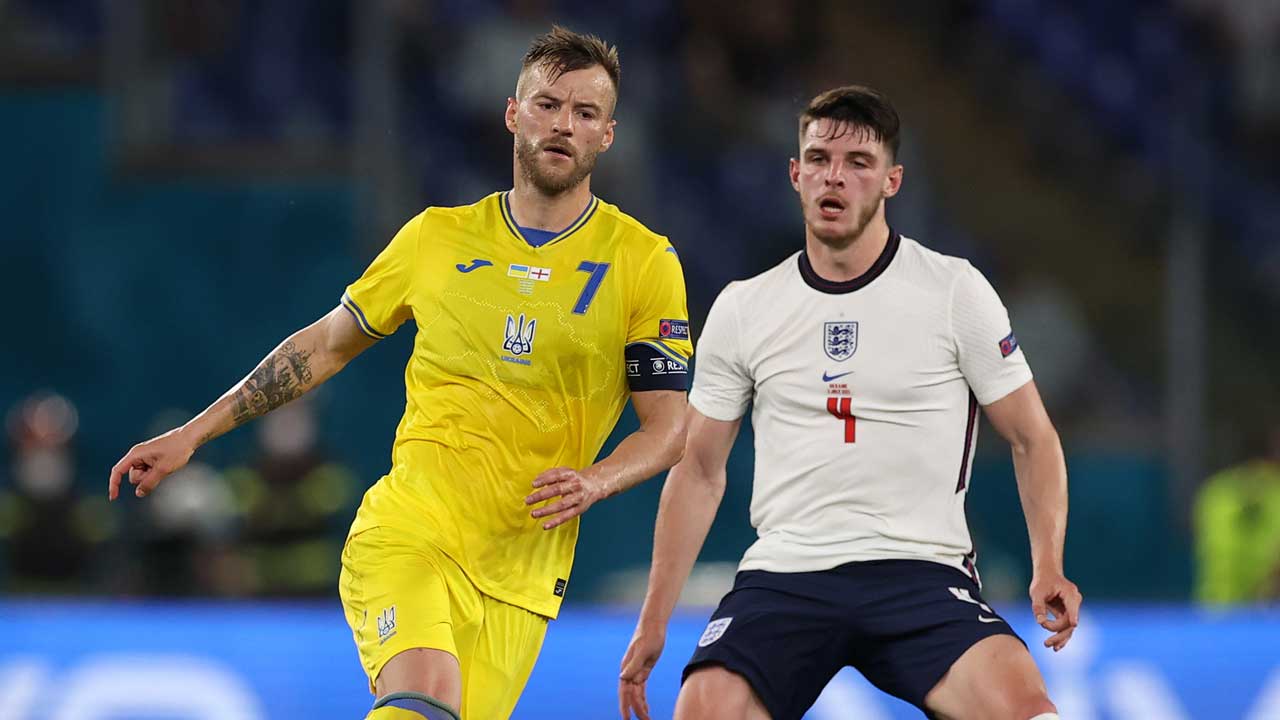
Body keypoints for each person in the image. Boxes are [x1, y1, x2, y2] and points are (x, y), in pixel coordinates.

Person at [110, 26, 693, 720]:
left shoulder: (643, 262)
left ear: (608, 135)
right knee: (426, 697)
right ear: (513, 114)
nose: (563, 124)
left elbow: (669, 427)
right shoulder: (436, 237)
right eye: (547, 104)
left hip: (523, 578)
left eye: (585, 112)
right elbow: (325, 345)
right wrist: (195, 434)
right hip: (411, 530)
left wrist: (596, 480)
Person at [618, 86, 1081, 720]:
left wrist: (1047, 564)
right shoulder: (745, 306)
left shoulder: (953, 290)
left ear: (892, 180)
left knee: (1025, 706)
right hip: (786, 574)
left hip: (918, 570)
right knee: (703, 709)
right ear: (795, 174)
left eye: (859, 163)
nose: (835, 177)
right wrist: (654, 619)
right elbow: (698, 469)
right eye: (819, 159)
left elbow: (1033, 437)